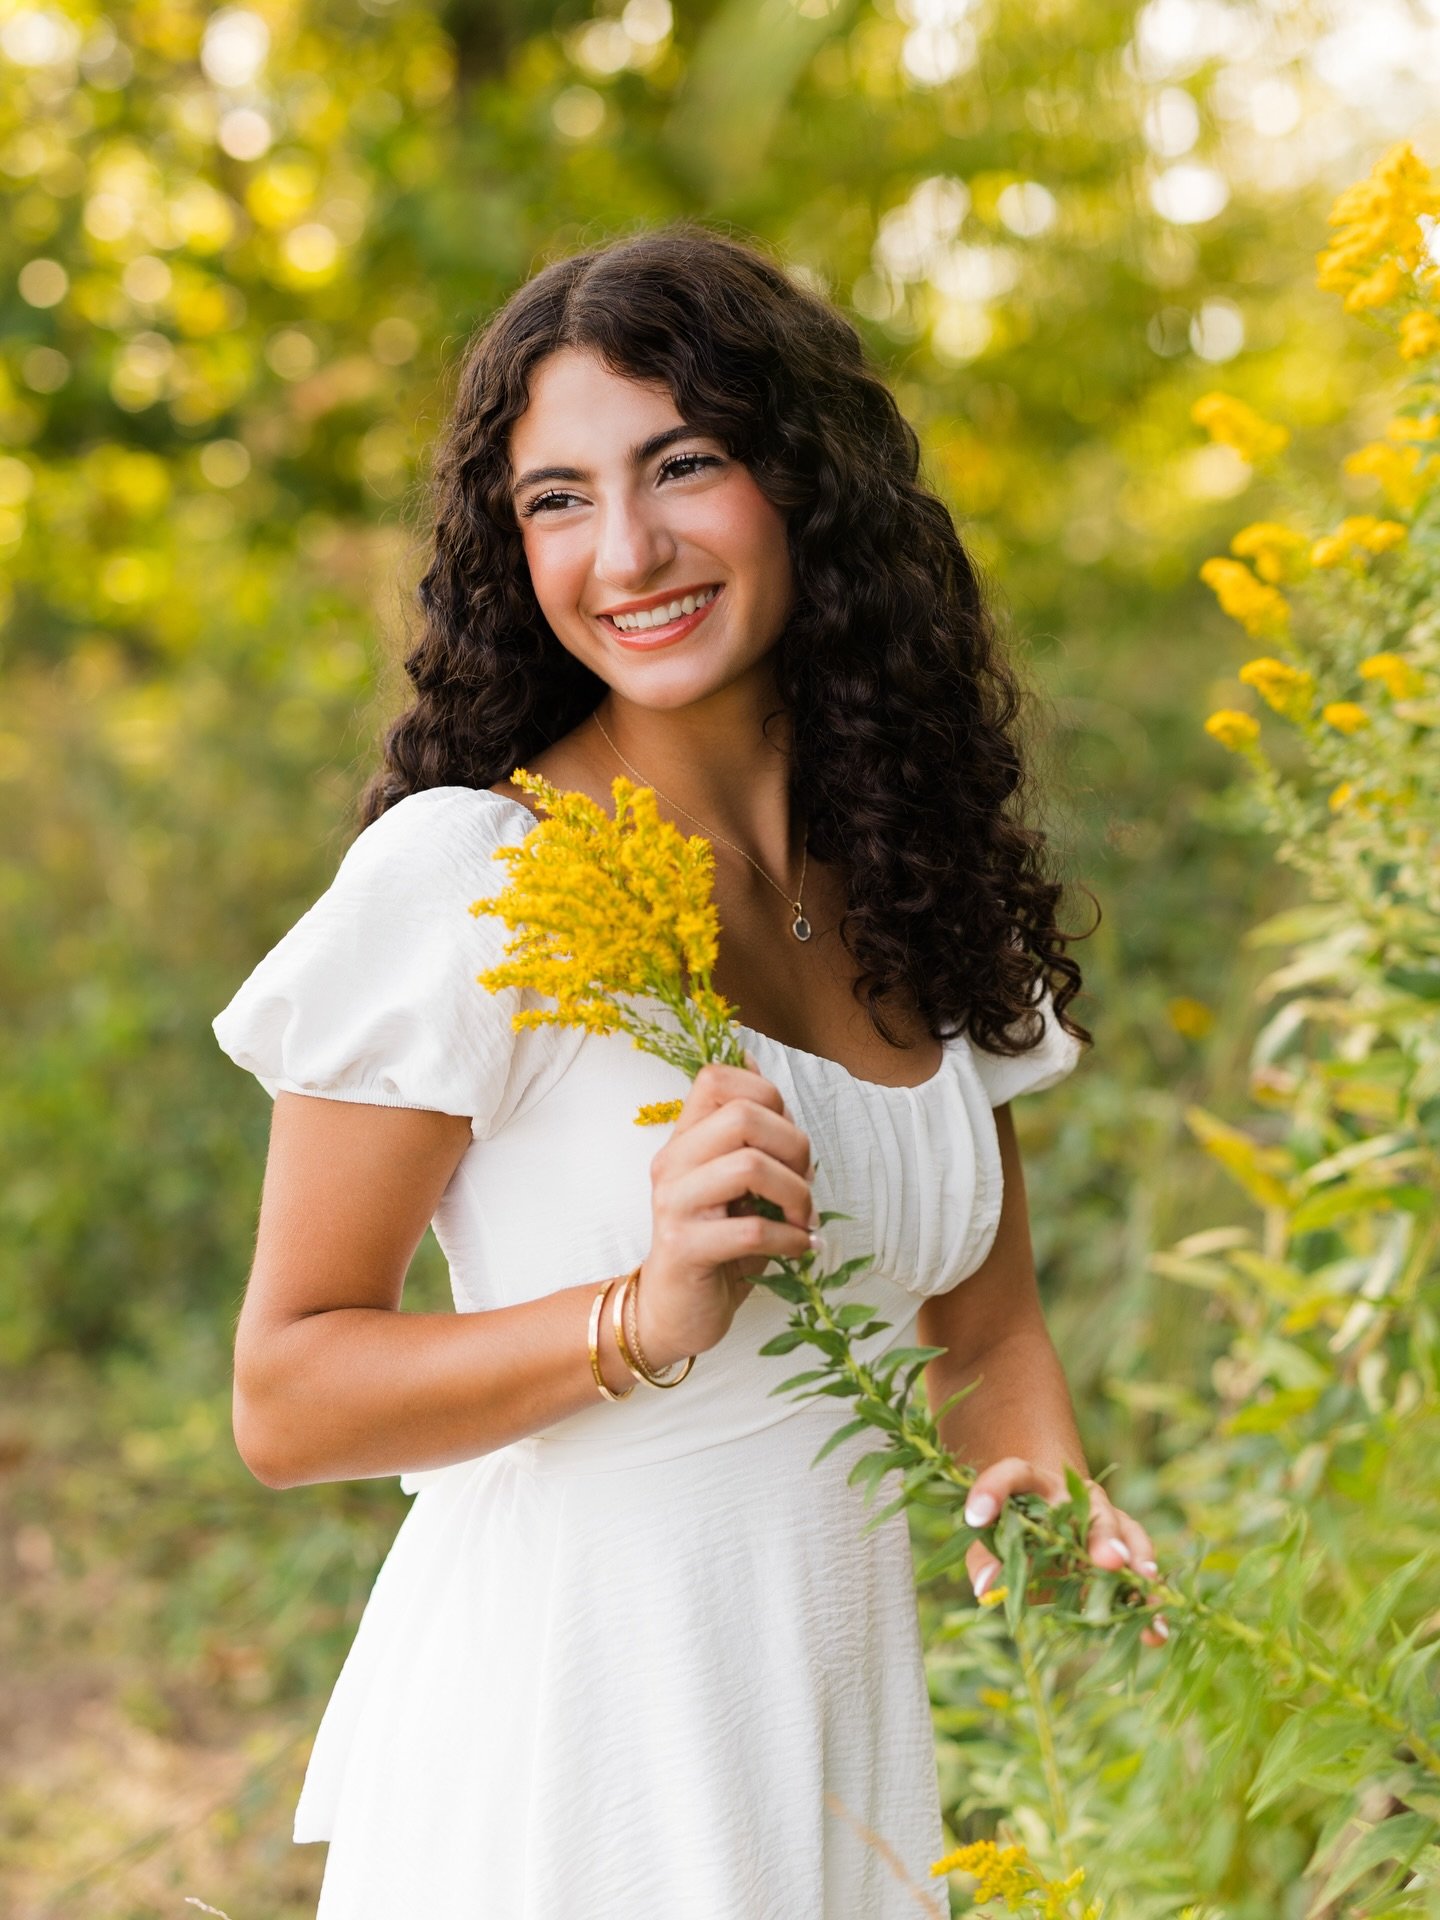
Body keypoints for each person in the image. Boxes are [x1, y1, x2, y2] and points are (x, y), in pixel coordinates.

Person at [212, 222, 1161, 1920]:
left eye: (684, 464)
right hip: (568, 1762)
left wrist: (1047, 1485)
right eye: (557, 497)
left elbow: (989, 1332)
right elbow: (286, 1395)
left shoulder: (917, 870)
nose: (627, 547)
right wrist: (632, 1321)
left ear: (806, 483)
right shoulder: (469, 876)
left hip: (834, 1744)